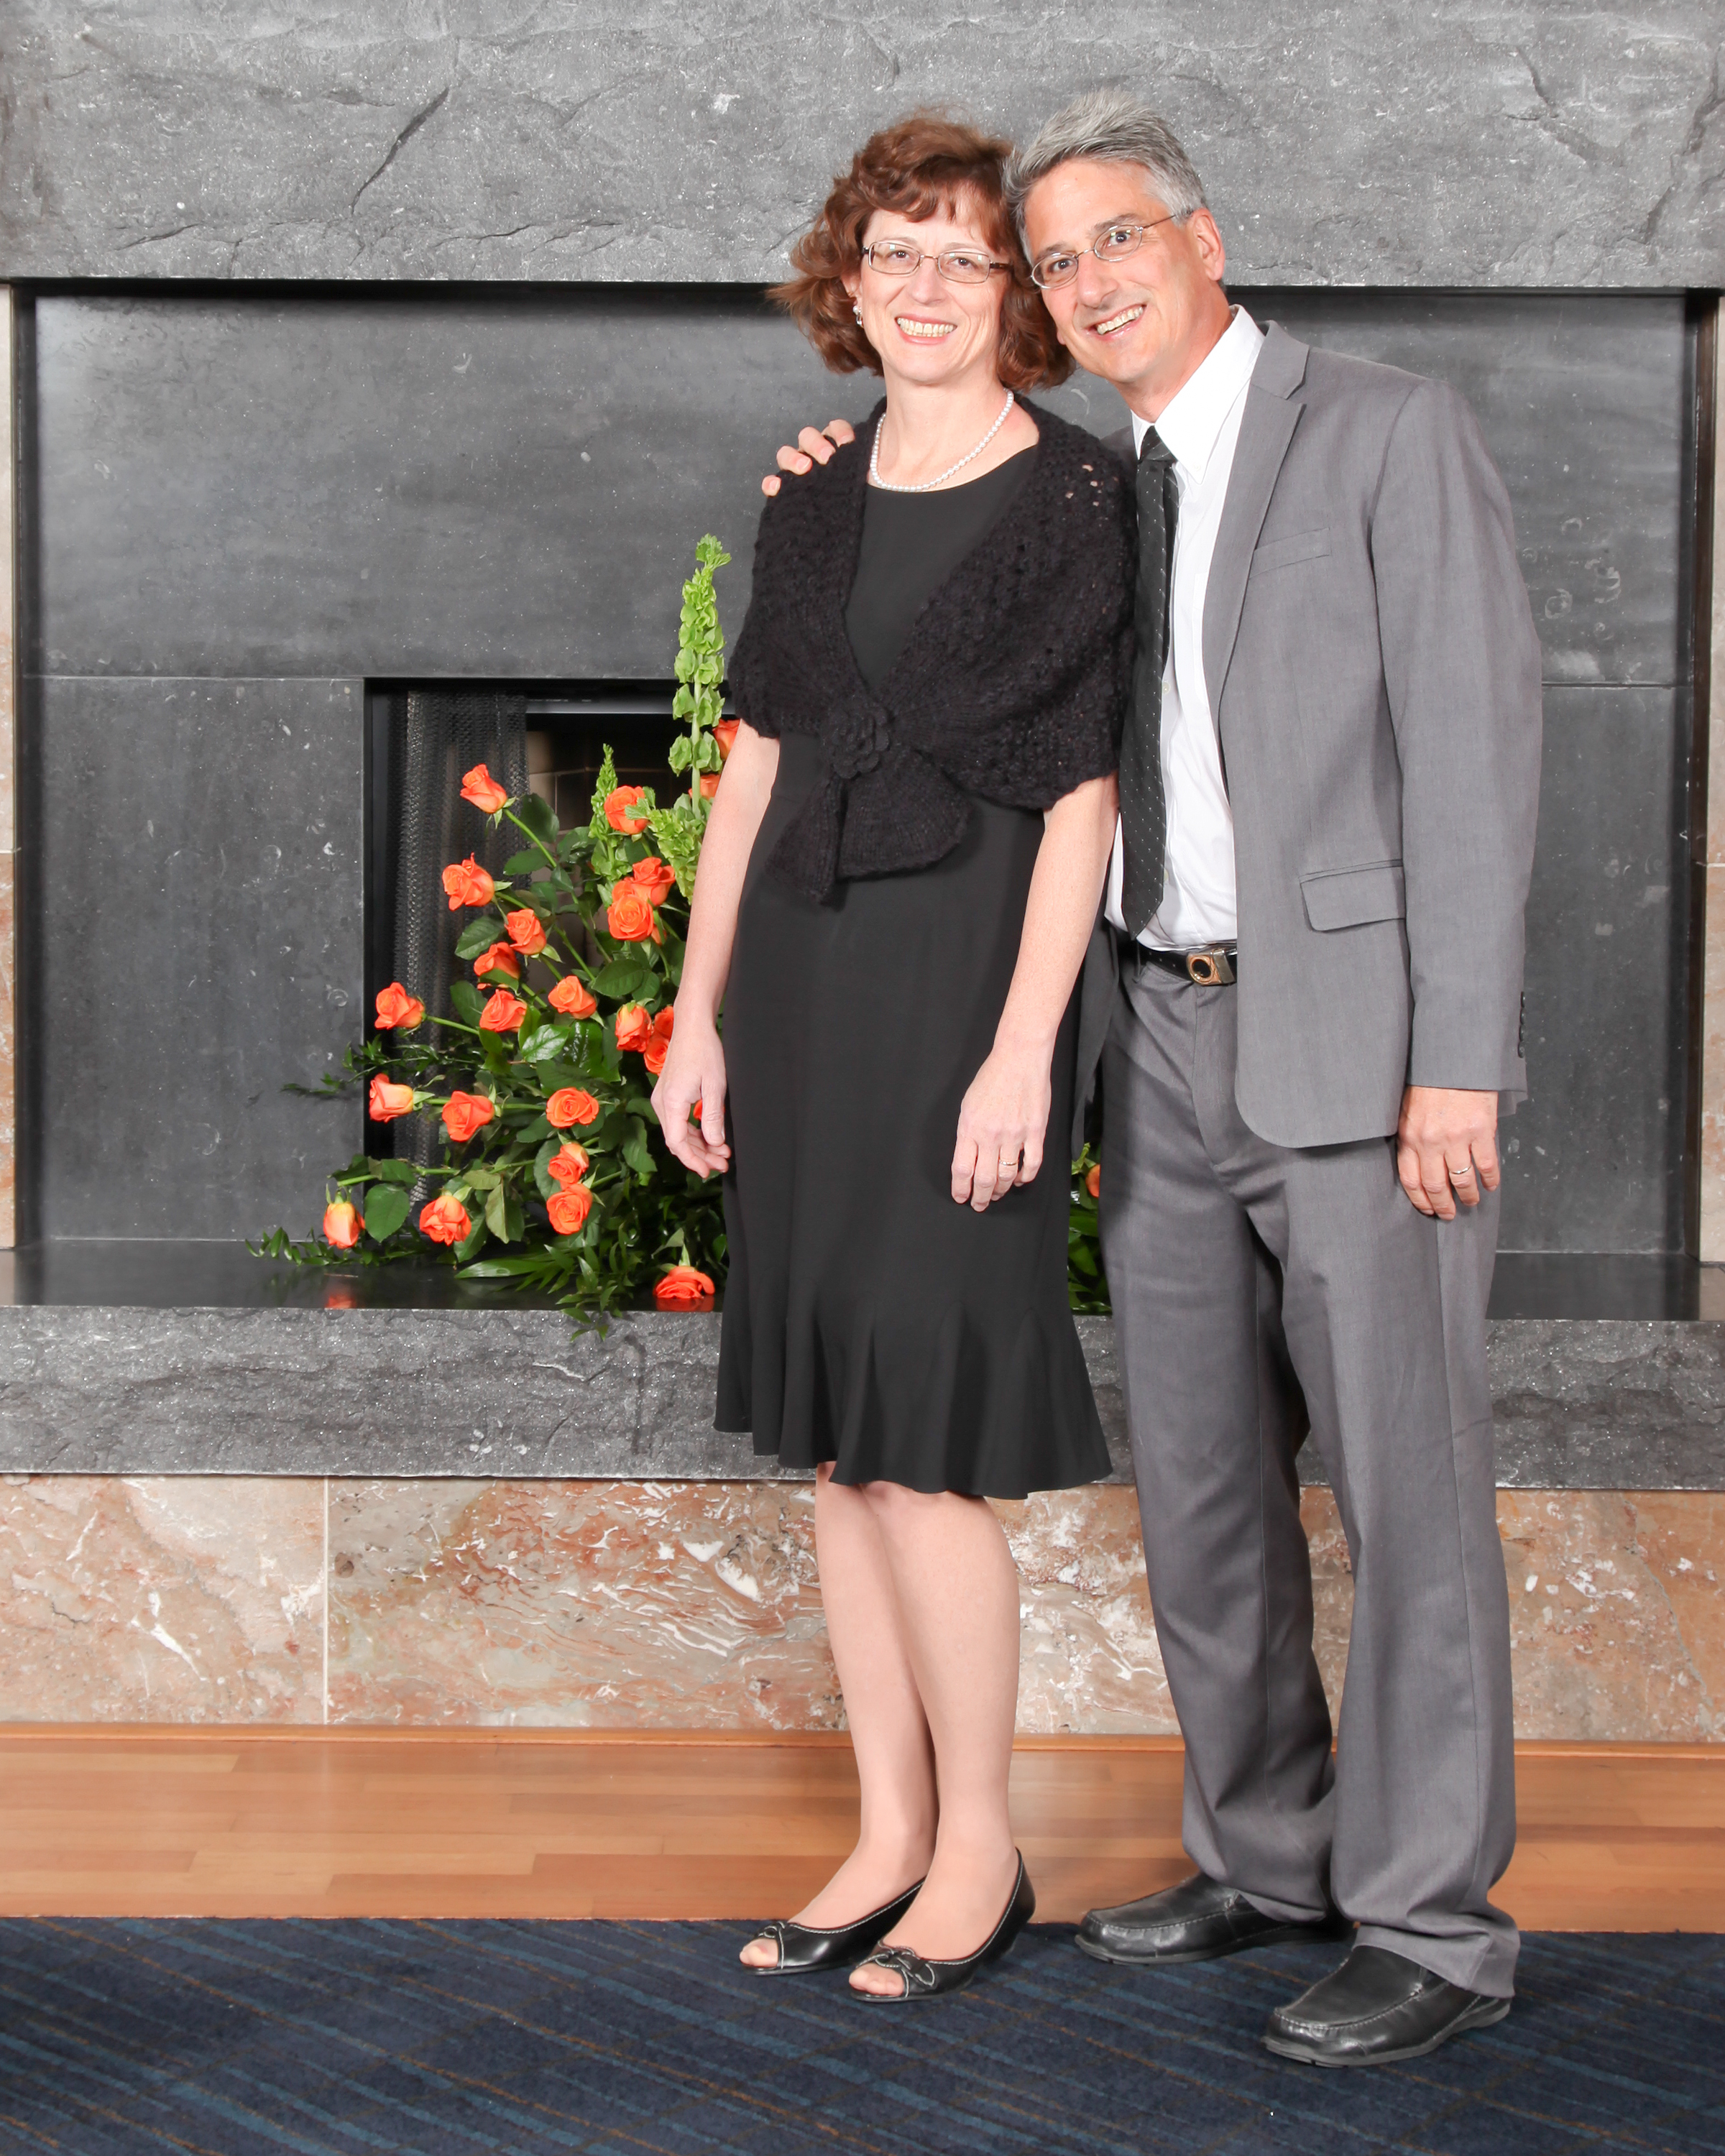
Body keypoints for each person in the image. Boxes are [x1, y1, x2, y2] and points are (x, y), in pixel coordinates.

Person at [768, 88, 1542, 2065]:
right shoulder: (1095, 488)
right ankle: (1265, 1852)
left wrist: (1461, 1059)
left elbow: (1474, 760)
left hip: (1366, 1058)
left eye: (1118, 238)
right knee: (1203, 1495)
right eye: (1056, 259)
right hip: (1162, 1031)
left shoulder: (1384, 430)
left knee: (1407, 1495)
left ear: (1204, 239)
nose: (1087, 279)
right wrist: (846, 478)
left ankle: (1433, 1924)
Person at [652, 113, 1135, 2004]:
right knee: (848, 1455)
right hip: (799, 988)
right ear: (849, 284)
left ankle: (985, 1855)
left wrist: (1032, 1053)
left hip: (962, 1008)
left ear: (1017, 295)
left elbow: (1083, 804)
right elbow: (757, 764)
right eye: (895, 252)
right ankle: (885, 1832)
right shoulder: (810, 490)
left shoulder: (1080, 500)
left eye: (965, 255)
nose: (926, 286)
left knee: (926, 1453)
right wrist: (695, 1013)